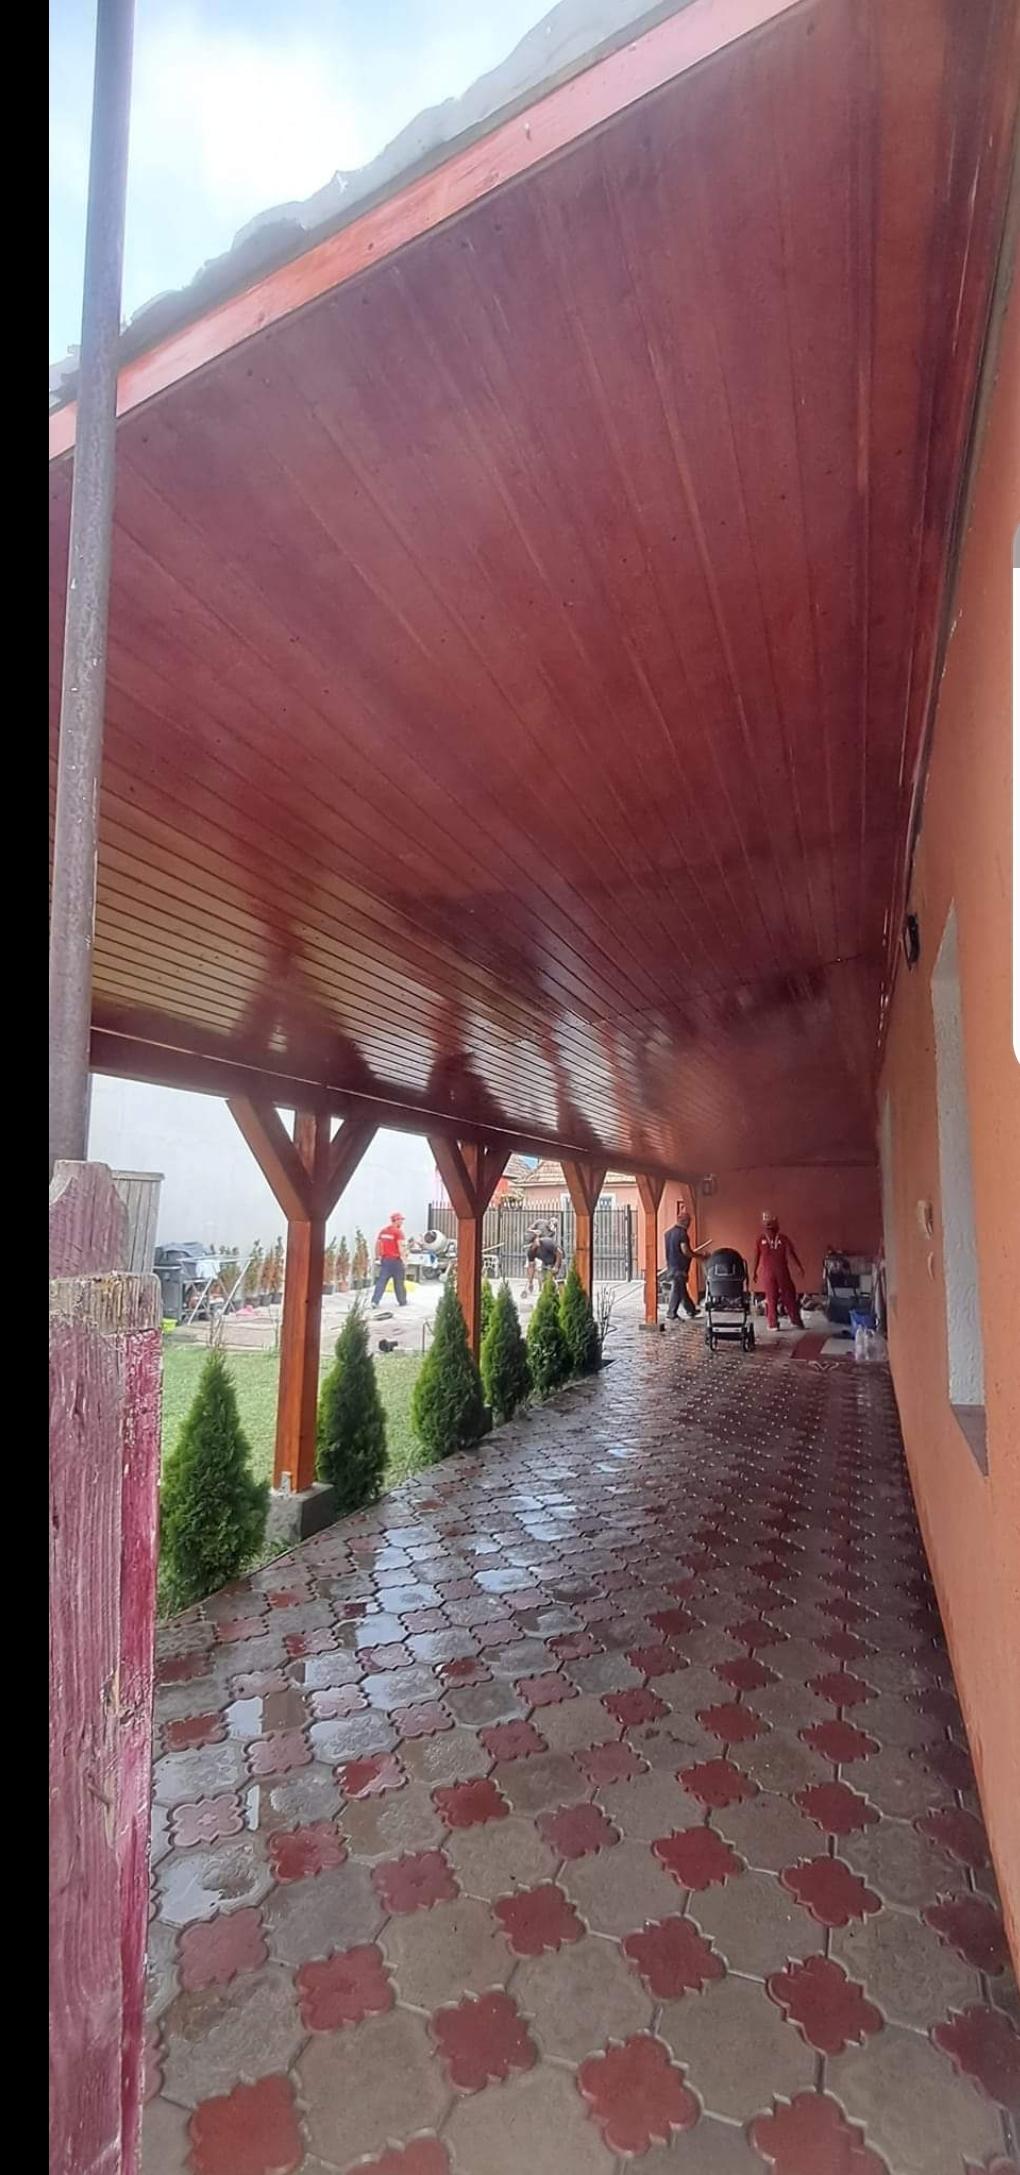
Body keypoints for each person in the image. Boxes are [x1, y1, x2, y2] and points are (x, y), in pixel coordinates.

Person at [752, 1212, 804, 1329]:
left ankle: (773, 1324)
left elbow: (756, 1257)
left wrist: (754, 1272)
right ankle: (795, 1321)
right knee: (788, 1295)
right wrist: (798, 1266)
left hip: (768, 1273)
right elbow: (791, 1254)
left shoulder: (760, 1240)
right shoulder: (783, 1238)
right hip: (782, 1271)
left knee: (771, 1298)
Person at [664, 1206, 710, 1320]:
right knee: (677, 1289)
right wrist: (700, 1256)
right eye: (689, 1221)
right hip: (680, 1267)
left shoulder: (668, 1233)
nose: (689, 1224)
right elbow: (685, 1251)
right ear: (684, 1221)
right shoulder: (682, 1234)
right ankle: (671, 1313)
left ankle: (691, 1310)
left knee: (682, 1289)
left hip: (671, 1265)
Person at [372, 1211, 408, 1308]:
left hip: (386, 1260)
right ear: (396, 1220)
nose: (402, 1222)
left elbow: (378, 1244)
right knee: (399, 1282)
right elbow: (401, 1247)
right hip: (396, 1261)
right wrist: (404, 1261)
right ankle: (402, 1301)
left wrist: (378, 1256)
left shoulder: (383, 1231)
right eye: (401, 1220)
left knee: (381, 1281)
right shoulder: (398, 1232)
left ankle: (375, 1301)